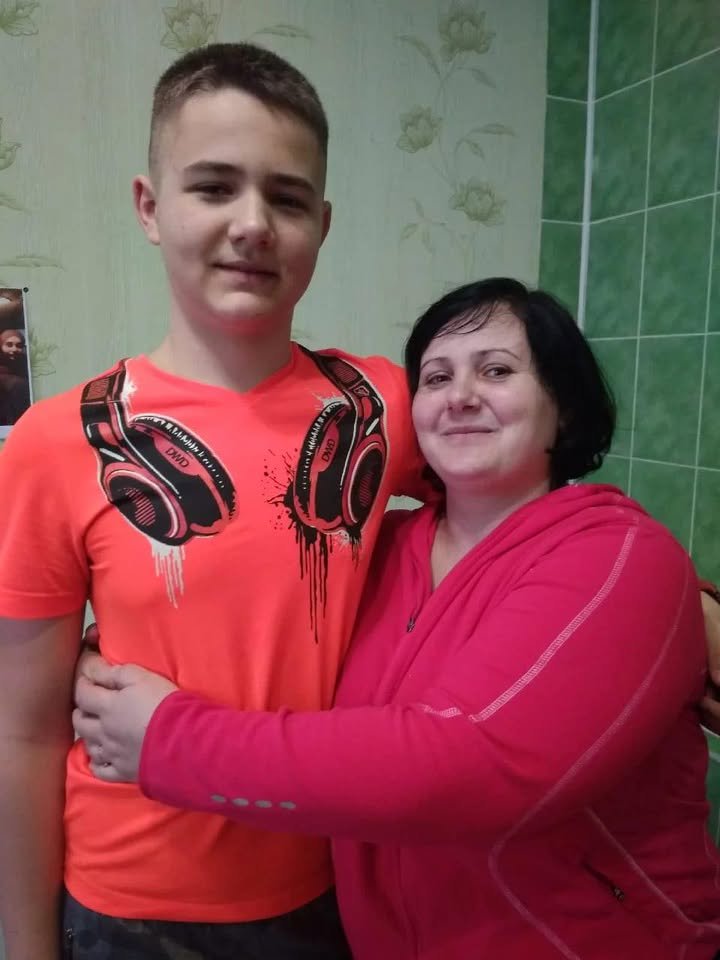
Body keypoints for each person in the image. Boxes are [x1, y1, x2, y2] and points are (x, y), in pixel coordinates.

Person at [75, 278, 720, 960]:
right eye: (436, 377)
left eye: (497, 371)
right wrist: (110, 651)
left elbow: (467, 768)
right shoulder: (376, 549)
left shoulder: (619, 557)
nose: (460, 395)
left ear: (562, 409)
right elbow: (246, 614)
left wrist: (166, 741)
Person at [0, 42, 428, 960]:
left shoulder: (381, 410)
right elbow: (23, 735)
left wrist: (693, 610)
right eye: (213, 187)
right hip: (128, 913)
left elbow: (528, 519)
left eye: (287, 198)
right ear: (150, 207)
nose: (253, 224)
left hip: (332, 885)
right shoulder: (53, 442)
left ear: (323, 222)